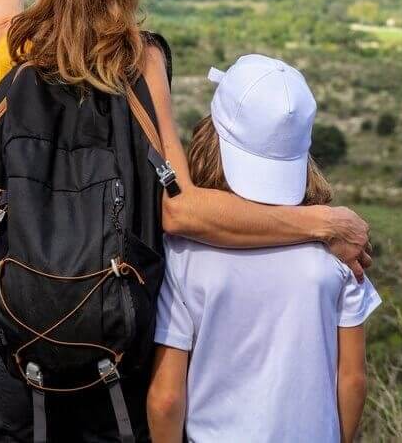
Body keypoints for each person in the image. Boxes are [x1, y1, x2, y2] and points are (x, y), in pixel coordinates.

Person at [0, 0, 372, 442]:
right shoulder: (139, 62)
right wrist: (322, 223)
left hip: (20, 348)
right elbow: (180, 209)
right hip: (115, 353)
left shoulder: (15, 47)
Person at [145, 55, 380, 443]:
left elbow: (167, 399)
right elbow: (353, 380)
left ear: (210, 138)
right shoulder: (339, 253)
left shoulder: (183, 256)